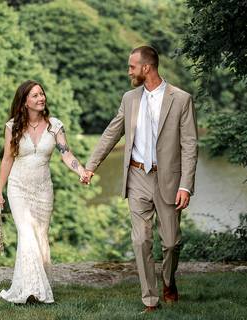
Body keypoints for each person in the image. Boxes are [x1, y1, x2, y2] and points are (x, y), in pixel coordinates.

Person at [82, 46, 198, 313]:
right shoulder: (129, 99)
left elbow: (190, 145)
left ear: (147, 68)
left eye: (132, 67)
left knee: (171, 242)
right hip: (136, 176)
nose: (128, 72)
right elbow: (112, 133)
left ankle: (169, 281)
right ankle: (150, 299)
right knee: (141, 241)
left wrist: (186, 185)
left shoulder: (181, 99)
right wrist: (91, 166)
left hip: (168, 179)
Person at [0, 80, 86, 304]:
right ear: (24, 101)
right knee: (26, 236)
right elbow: (7, 159)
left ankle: (34, 285)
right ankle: (32, 292)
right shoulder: (12, 126)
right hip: (18, 188)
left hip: (43, 190)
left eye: (41, 94)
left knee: (40, 237)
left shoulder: (55, 126)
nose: (40, 98)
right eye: (34, 95)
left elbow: (66, 154)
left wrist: (81, 171)